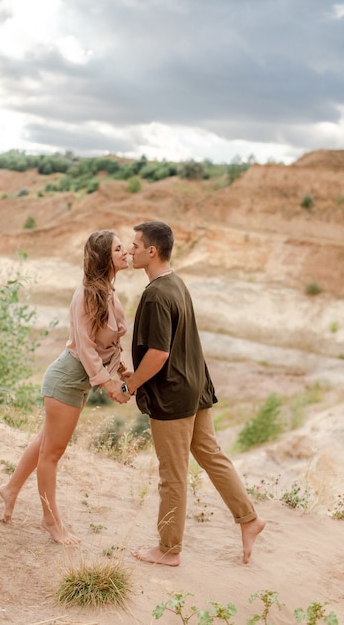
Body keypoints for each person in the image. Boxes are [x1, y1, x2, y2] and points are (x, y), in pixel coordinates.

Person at [122, 221, 265, 566]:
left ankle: (169, 549)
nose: (130, 250)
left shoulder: (155, 294)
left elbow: (158, 354)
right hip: (195, 386)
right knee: (212, 455)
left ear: (152, 251)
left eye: (135, 245)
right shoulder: (176, 283)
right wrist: (137, 375)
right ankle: (249, 519)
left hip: (173, 397)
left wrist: (131, 384)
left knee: (172, 475)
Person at [0, 230, 130, 544]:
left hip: (77, 378)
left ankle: (11, 488)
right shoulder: (87, 293)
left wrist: (121, 371)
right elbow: (85, 348)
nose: (126, 252)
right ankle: (50, 520)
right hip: (68, 377)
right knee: (52, 454)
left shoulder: (108, 290)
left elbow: (106, 342)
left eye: (125, 247)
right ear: (104, 258)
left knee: (47, 441)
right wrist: (109, 384)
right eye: (118, 249)